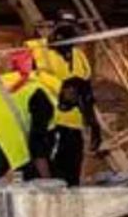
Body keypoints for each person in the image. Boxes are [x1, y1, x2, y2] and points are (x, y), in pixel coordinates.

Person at [0, 69, 79, 181]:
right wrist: (46, 180)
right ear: (69, 91)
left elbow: (40, 142)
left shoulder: (48, 87)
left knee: (3, 163)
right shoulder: (45, 100)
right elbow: (37, 143)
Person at [26, 16, 102, 186]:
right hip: (47, 124)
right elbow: (27, 87)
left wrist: (94, 124)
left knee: (71, 178)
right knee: (45, 177)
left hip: (72, 127)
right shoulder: (38, 52)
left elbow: (86, 95)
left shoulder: (79, 57)